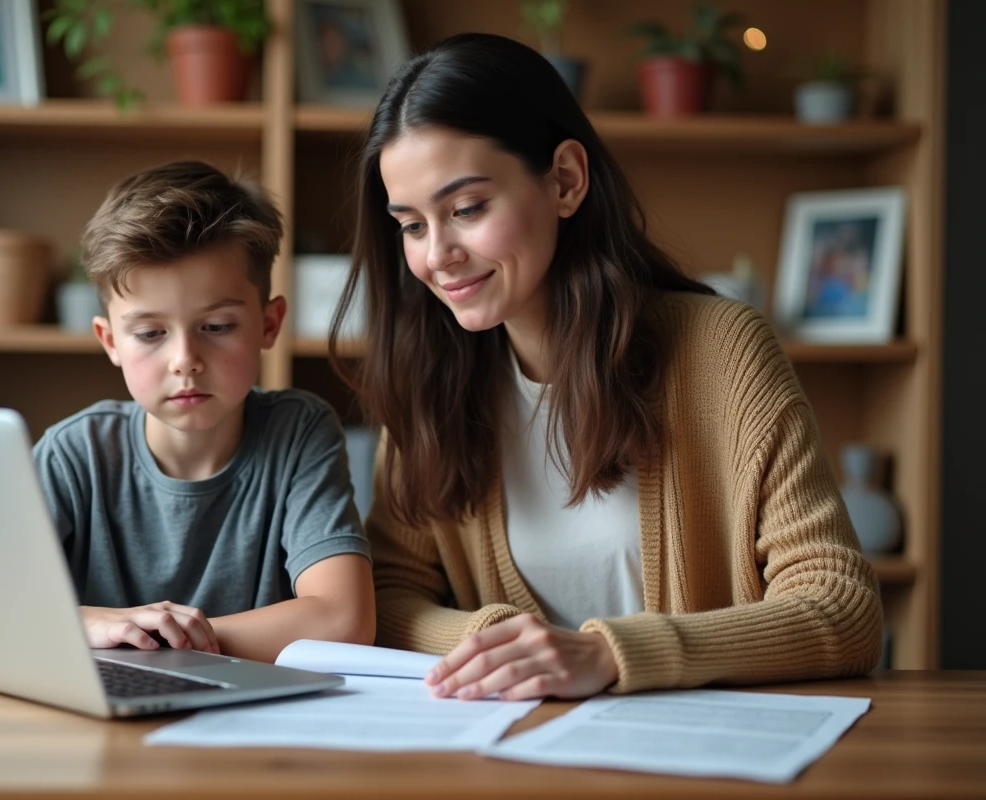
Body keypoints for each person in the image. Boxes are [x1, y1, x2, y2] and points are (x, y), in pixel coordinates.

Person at [331, 33, 882, 701]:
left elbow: (843, 607)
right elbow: (386, 597)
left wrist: (609, 655)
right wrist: (504, 645)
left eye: (467, 209)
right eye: (412, 225)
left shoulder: (721, 352)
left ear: (566, 179)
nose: (437, 255)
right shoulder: (432, 379)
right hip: (511, 755)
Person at [0, 161, 374, 662]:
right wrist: (89, 624)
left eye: (218, 326)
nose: (185, 361)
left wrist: (157, 635)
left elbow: (344, 619)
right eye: (151, 333)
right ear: (110, 341)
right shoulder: (75, 453)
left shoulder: (299, 432)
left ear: (269, 324)